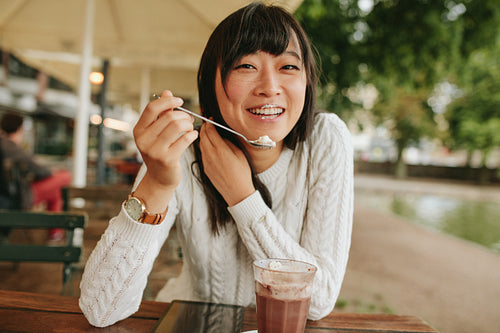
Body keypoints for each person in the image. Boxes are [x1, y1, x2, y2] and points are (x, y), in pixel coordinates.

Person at [79, 2, 353, 328]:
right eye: (246, 66)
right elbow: (101, 309)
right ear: (212, 81)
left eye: (289, 67)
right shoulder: (182, 152)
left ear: (307, 81)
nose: (269, 86)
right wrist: (157, 182)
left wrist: (242, 197)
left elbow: (318, 300)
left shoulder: (325, 139)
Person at [0, 112, 72, 240]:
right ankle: (55, 234)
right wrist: (53, 172)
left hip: (11, 194)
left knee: (55, 192)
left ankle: (55, 234)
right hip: (20, 197)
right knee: (65, 176)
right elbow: (41, 171)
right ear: (20, 129)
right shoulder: (11, 148)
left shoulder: (4, 145)